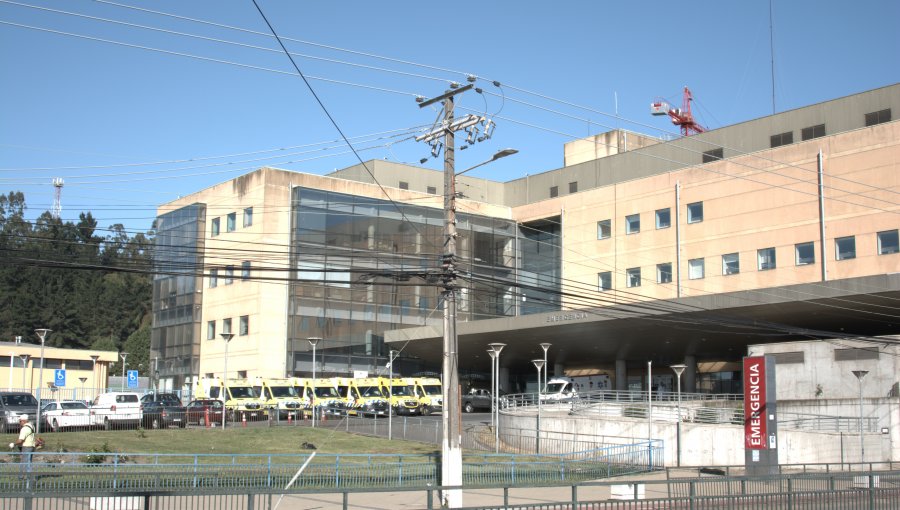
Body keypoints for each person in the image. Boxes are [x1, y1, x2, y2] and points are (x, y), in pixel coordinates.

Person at [13, 414, 35, 480]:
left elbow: (20, 440)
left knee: (25, 462)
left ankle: (24, 477)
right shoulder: (31, 426)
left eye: (20, 421)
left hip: (26, 447)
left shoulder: (24, 429)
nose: (19, 423)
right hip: (31, 446)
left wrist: (14, 444)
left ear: (23, 421)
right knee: (28, 461)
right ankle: (25, 476)